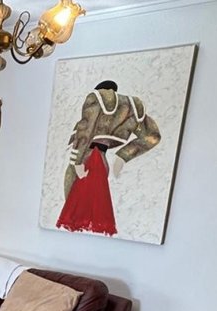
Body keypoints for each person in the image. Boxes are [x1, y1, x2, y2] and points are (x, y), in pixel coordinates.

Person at [55, 80, 161, 235]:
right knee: (91, 208)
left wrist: (78, 162)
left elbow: (86, 132)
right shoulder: (131, 109)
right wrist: (123, 156)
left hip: (84, 159)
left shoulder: (95, 99)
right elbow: (152, 136)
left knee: (74, 210)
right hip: (102, 160)